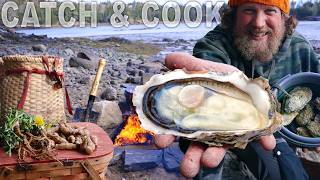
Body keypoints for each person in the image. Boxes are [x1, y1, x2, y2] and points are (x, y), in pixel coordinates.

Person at [155, 0, 320, 179]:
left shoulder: (300, 48)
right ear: (234, 14)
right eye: (249, 10)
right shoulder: (214, 45)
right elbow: (204, 83)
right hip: (229, 133)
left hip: (285, 135)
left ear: (283, 17)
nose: (258, 23)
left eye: (270, 11)